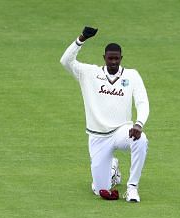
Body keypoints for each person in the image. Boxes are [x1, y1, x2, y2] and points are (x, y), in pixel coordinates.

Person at [60, 26, 150, 202]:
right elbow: (65, 61)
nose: (114, 62)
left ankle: (132, 188)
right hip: (97, 136)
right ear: (104, 58)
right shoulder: (89, 73)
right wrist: (81, 39)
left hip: (121, 131)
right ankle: (112, 171)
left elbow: (142, 101)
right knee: (100, 189)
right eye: (110, 59)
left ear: (121, 58)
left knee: (141, 139)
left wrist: (138, 124)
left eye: (117, 59)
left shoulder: (132, 75)